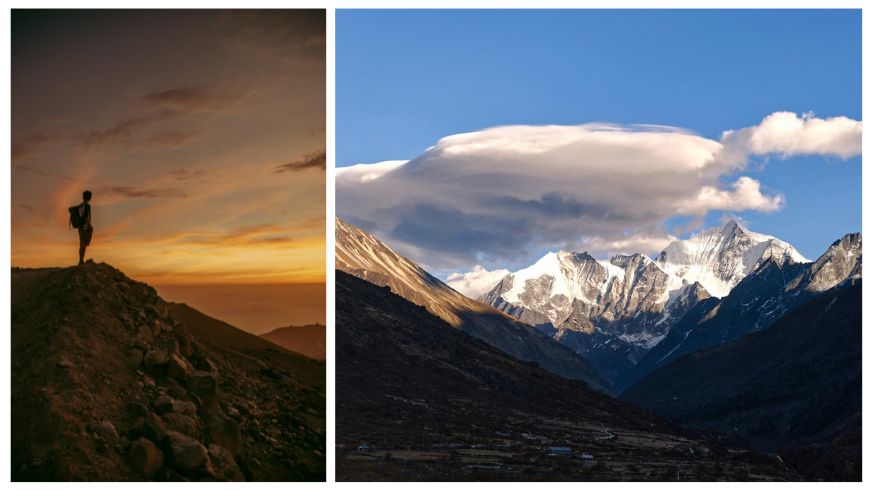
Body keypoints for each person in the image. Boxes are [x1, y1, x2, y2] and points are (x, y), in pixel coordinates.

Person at [76, 190, 93, 265]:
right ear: (89, 197)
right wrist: (89, 226)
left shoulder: (79, 206)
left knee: (81, 244)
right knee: (84, 245)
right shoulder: (87, 206)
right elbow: (86, 217)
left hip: (80, 227)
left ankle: (81, 260)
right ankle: (81, 261)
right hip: (85, 227)